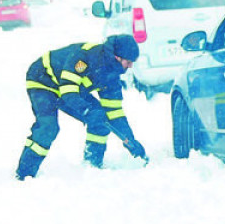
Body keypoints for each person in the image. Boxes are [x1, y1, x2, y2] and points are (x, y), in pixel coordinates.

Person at [16, 34, 148, 180]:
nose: (130, 66)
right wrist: (86, 110)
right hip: (43, 80)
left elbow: (114, 112)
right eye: (128, 62)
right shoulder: (85, 57)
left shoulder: (112, 75)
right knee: (48, 127)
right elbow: (67, 91)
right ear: (117, 57)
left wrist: (130, 140)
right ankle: (24, 175)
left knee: (101, 119)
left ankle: (92, 165)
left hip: (71, 90)